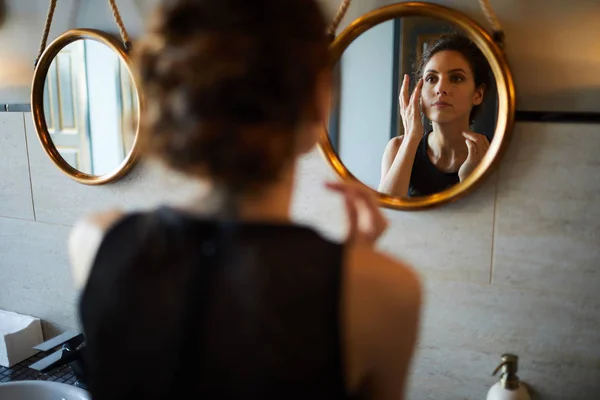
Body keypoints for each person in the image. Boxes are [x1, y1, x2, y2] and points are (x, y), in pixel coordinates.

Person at [68, 1, 422, 399]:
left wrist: (349, 274)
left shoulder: (95, 241)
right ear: (319, 104)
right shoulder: (386, 292)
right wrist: (352, 274)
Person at [378, 33, 492, 198]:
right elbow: (387, 214)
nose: (440, 88)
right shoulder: (397, 148)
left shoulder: (492, 151)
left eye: (456, 78)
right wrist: (411, 138)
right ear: (420, 91)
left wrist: (470, 180)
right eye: (431, 78)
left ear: (478, 94)